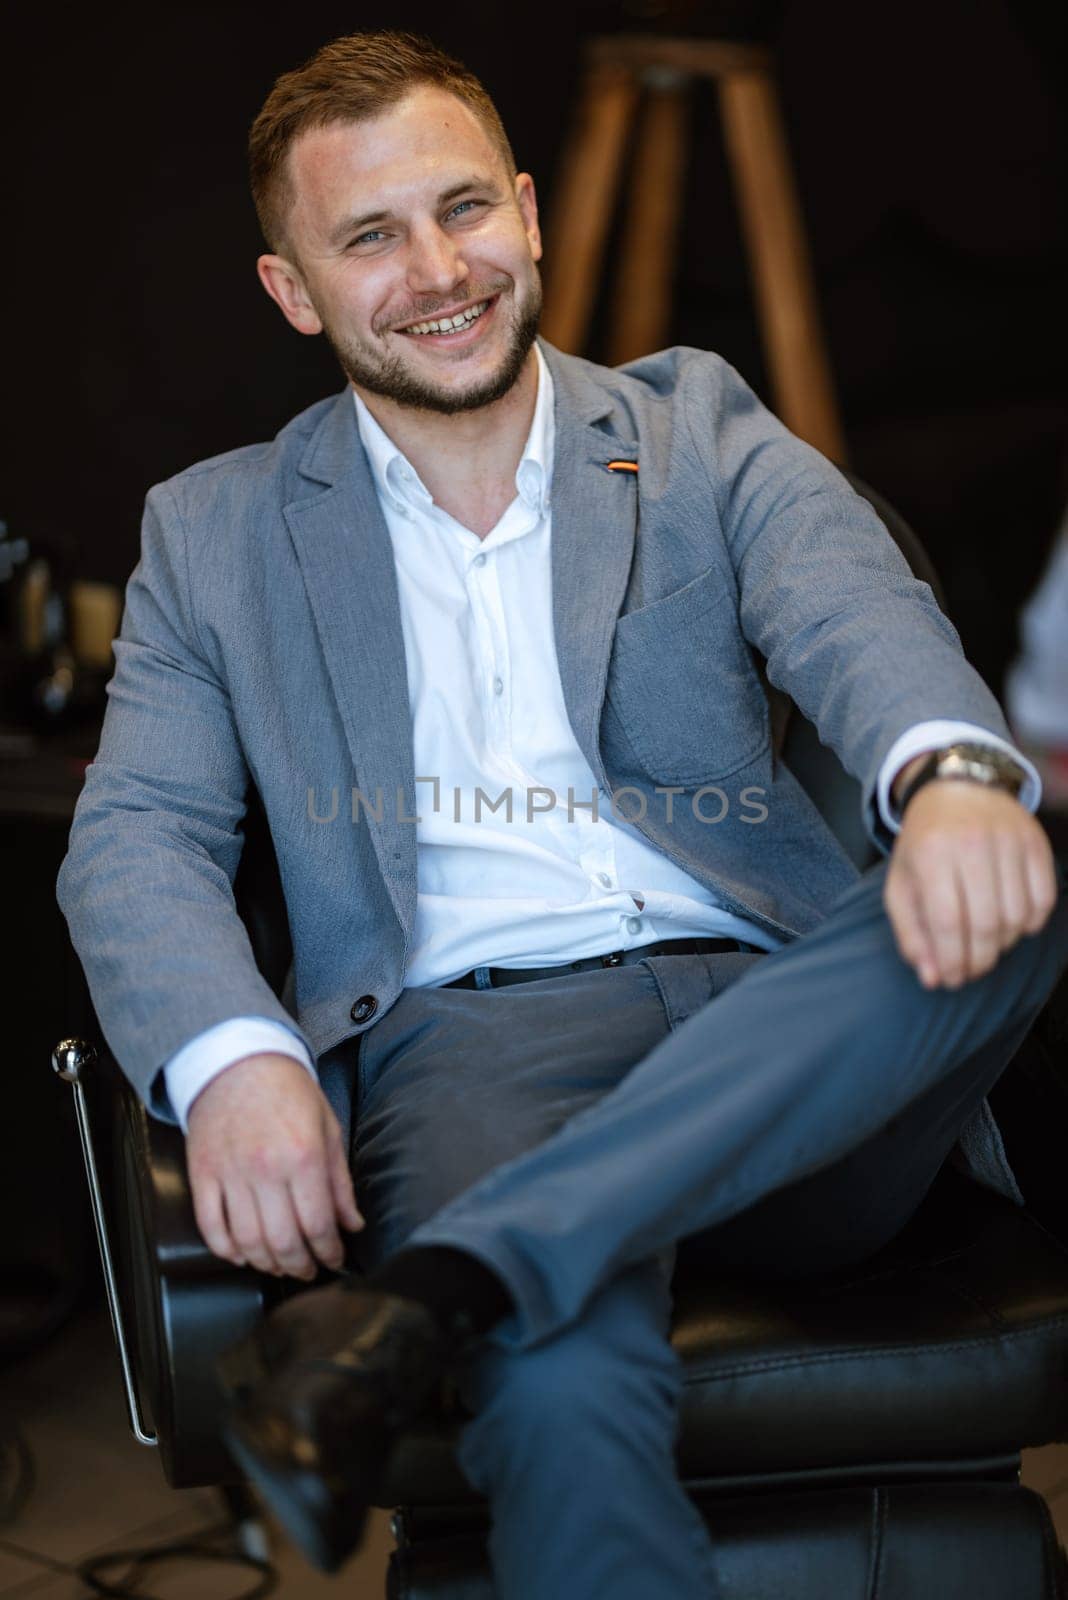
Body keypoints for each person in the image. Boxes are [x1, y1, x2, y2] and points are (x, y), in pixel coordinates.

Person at [57, 29, 1068, 1600]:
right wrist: (239, 1062)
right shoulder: (216, 533)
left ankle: (443, 1282)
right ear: (292, 291)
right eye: (370, 236)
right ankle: (499, 1281)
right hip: (472, 1054)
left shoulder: (697, 429)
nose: (438, 268)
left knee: (1015, 883)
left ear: (528, 214)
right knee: (558, 1365)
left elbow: (851, 611)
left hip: (789, 1030)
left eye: (464, 208)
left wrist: (949, 779)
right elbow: (137, 837)